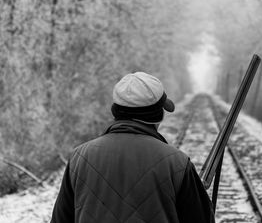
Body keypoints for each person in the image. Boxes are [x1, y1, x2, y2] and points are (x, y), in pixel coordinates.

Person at [50, 72, 215, 223]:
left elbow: (60, 219)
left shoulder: (79, 157)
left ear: (115, 111)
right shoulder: (177, 163)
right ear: (158, 115)